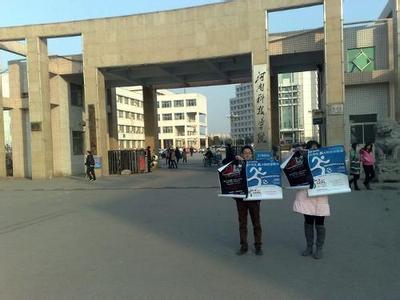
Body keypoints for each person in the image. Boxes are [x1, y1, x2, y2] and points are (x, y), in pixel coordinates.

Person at [293, 140, 329, 259]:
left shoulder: (323, 160)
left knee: (320, 222)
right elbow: (290, 163)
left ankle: (319, 248)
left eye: (315, 148)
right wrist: (296, 152)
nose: (313, 150)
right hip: (306, 195)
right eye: (311, 148)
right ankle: (309, 246)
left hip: (320, 195)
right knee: (308, 221)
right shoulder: (302, 160)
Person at [234, 145, 263, 256]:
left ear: (252, 154)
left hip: (254, 198)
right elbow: (225, 163)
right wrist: (235, 159)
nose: (247, 154)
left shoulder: (255, 165)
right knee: (242, 223)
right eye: (245, 152)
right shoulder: (237, 165)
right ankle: (243, 246)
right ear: (241, 154)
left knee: (256, 223)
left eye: (249, 152)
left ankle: (258, 245)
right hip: (241, 199)